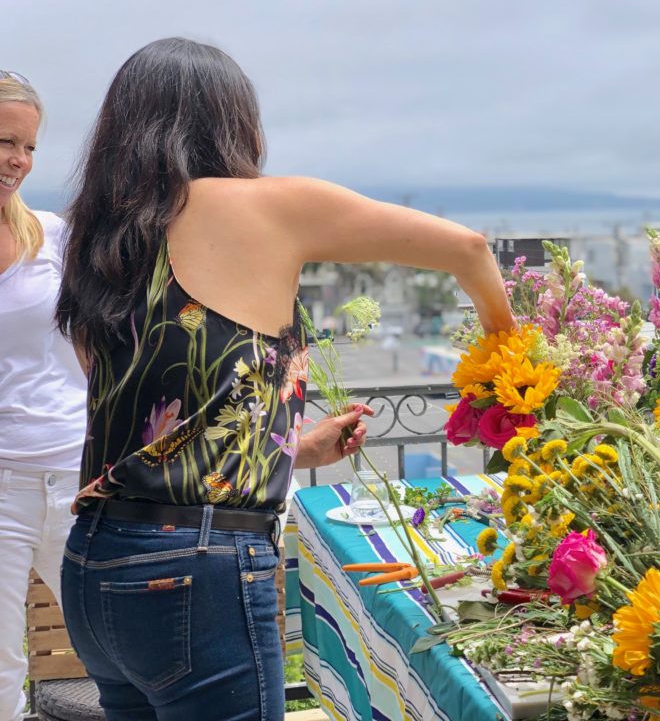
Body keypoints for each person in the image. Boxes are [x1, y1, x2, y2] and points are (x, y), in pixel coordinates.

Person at [56, 38, 514, 721]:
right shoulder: (266, 207)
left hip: (96, 565)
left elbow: (157, 428)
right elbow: (469, 250)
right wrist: (507, 355)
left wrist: (293, 450)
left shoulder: (101, 241)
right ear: (231, 121)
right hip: (196, 568)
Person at [0, 72, 88, 720]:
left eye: (28, 147)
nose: (18, 161)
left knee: (114, 643)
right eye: (4, 141)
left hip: (76, 473)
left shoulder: (53, 236)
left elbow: (98, 346)